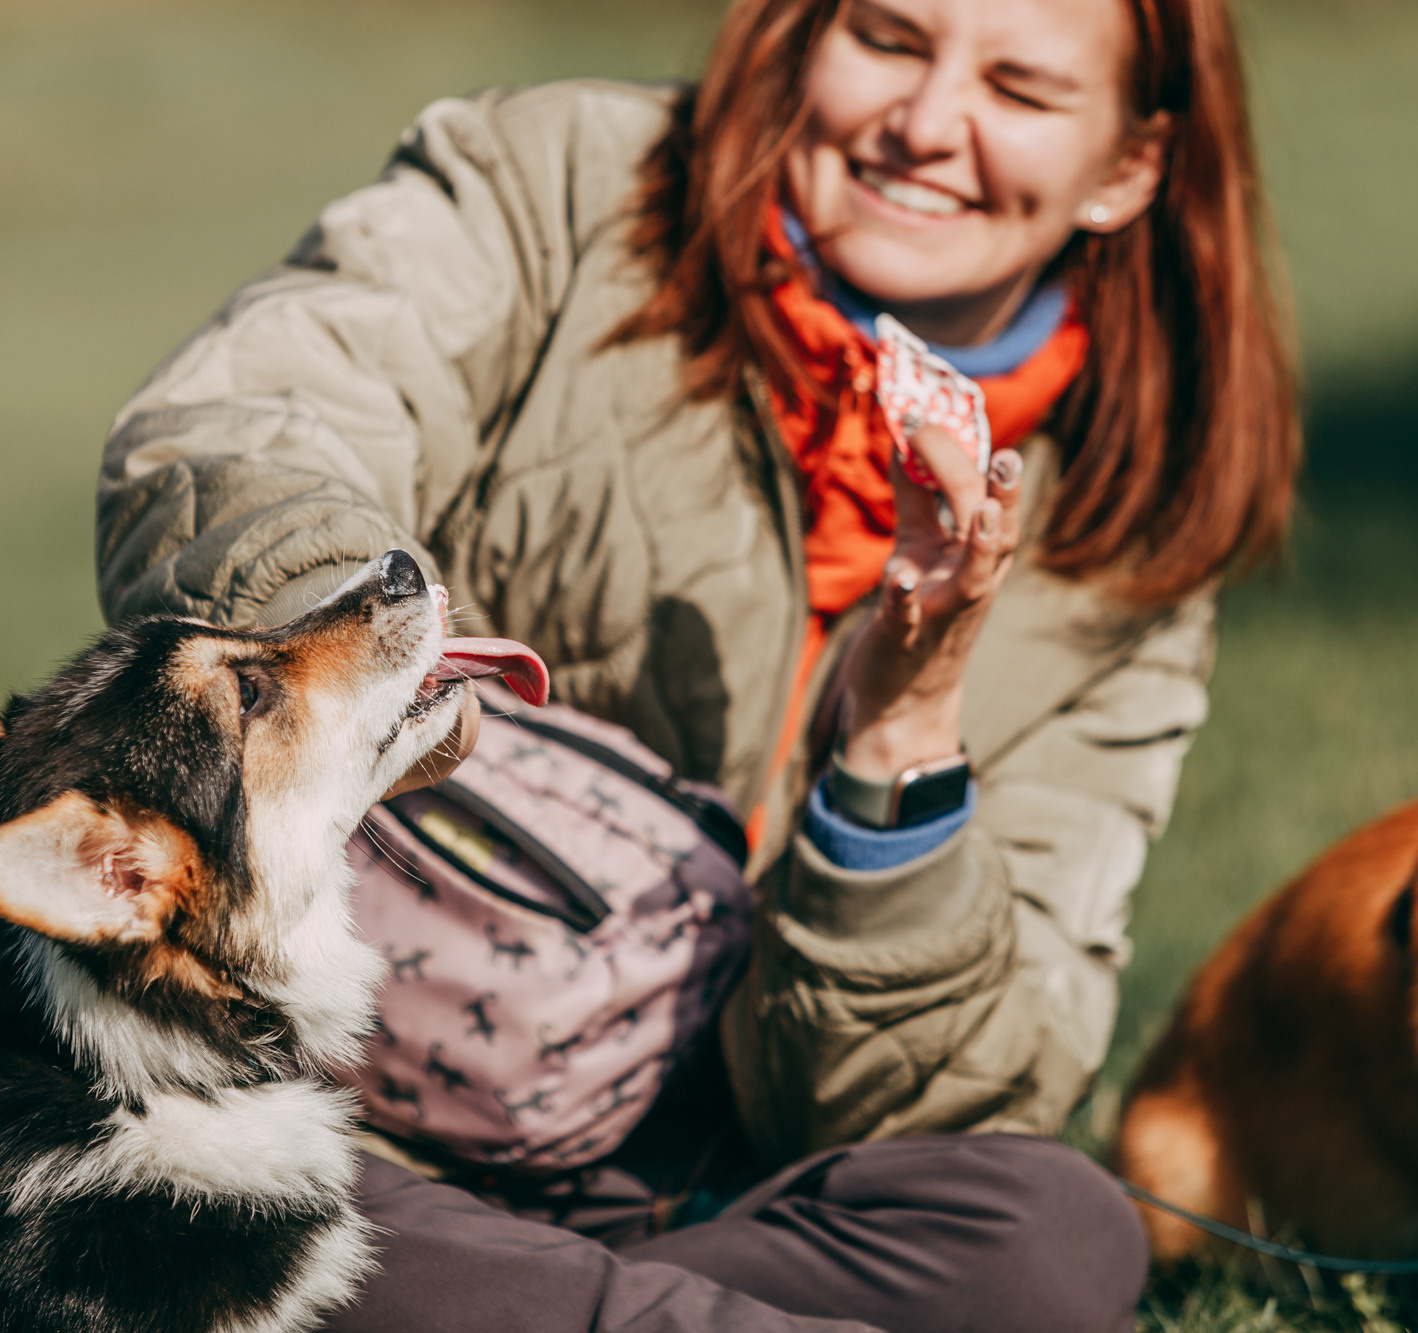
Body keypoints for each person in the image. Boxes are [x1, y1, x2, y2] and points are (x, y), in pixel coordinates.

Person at [92, 0, 1297, 1326]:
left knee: (1055, 1232)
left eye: (1021, 87)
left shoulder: (1134, 535)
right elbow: (236, 428)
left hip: (707, 1170)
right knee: (173, 1167)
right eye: (890, 40)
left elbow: (954, 1093)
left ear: (1129, 165)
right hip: (345, 1101)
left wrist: (899, 746)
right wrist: (361, 668)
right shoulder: (552, 186)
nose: (929, 123)